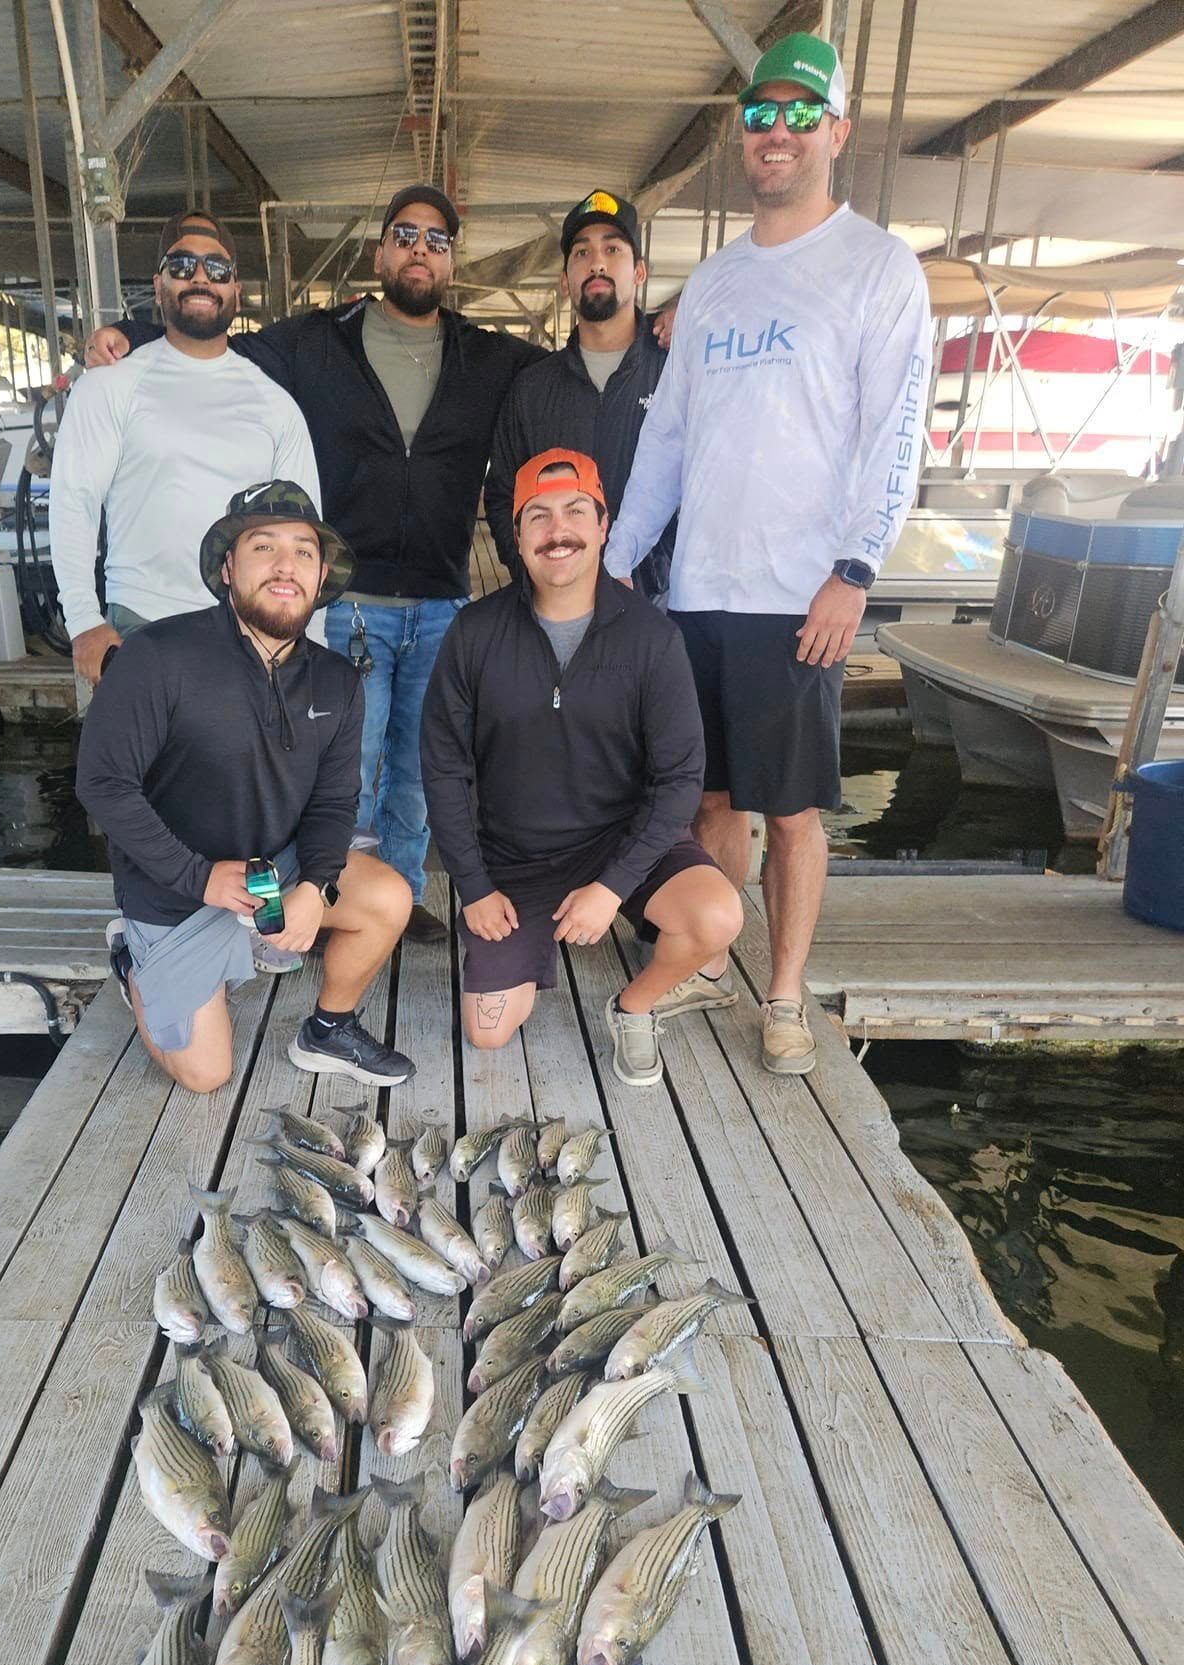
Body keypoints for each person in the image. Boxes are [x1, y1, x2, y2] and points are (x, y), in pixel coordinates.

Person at [81, 185, 546, 942]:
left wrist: (658, 331)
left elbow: (572, 363)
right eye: (404, 235)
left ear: (452, 260)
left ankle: (395, 897)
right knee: (345, 766)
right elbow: (214, 334)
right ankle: (322, 898)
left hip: (439, 598)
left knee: (423, 768)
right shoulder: (316, 340)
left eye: (435, 239)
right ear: (379, 252)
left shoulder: (488, 355)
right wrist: (129, 332)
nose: (419, 250)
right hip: (351, 596)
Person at [604, 32, 931, 1076]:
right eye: (759, 115)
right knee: (705, 797)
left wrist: (857, 567)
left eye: (800, 114)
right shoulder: (714, 283)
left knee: (791, 809)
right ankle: (710, 959)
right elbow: (669, 439)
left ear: (837, 131)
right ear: (741, 137)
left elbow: (896, 431)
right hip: (698, 586)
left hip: (802, 594)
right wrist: (616, 563)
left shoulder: (880, 267)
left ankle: (783, 994)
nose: (776, 133)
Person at [75, 482, 415, 1094]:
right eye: (264, 547)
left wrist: (314, 886)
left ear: (321, 578)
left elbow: (334, 803)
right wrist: (197, 876)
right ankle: (134, 960)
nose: (286, 566)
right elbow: (103, 784)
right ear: (228, 567)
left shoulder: (338, 681)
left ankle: (328, 1030)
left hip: (273, 872)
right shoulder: (156, 655)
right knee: (206, 1075)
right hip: (176, 889)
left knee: (390, 897)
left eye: (304, 552)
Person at [420, 450, 743, 1088]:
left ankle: (635, 1006)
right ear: (517, 540)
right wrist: (475, 885)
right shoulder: (474, 632)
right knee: (487, 1032)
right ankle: (524, 945)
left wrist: (613, 886)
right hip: (516, 858)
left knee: (717, 917)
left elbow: (680, 779)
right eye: (537, 516)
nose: (556, 529)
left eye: (574, 511)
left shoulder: (653, 638)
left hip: (623, 842)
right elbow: (443, 768)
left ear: (602, 525)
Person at [49, 212, 319, 687]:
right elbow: (74, 501)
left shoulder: (276, 405)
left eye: (217, 269)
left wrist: (307, 646)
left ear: (236, 289)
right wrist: (84, 620)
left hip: (251, 635)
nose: (200, 277)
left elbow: (302, 538)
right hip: (141, 626)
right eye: (182, 265)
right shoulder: (109, 386)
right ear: (158, 286)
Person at [485, 190, 677, 606]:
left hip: (655, 609)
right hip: (553, 611)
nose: (598, 263)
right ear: (565, 279)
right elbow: (503, 492)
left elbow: (703, 485)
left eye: (613, 248)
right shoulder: (533, 389)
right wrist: (538, 576)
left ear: (639, 271)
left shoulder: (675, 373)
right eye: (581, 253)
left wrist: (654, 575)